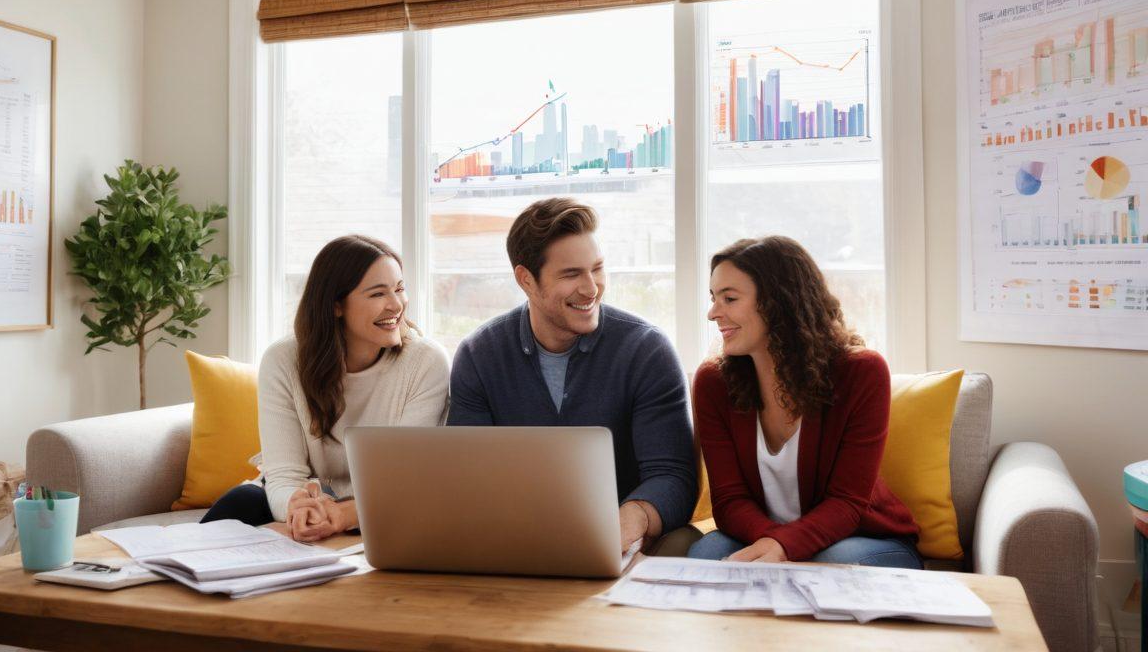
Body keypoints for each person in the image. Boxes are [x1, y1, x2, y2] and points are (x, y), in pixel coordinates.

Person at [447, 197, 697, 552]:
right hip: (513, 542)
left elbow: (673, 478)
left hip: (623, 545)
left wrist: (629, 520)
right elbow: (468, 477)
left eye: (596, 268)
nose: (591, 287)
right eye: (571, 274)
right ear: (526, 280)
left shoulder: (647, 350)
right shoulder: (478, 355)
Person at [687, 236, 921, 567]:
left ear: (777, 301)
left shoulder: (862, 372)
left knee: (834, 562)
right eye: (713, 298)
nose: (713, 313)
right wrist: (774, 542)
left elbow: (847, 503)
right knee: (705, 556)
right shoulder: (712, 383)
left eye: (729, 298)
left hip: (860, 537)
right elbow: (729, 499)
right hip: (761, 533)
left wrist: (784, 548)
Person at [202, 235, 450, 541]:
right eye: (377, 294)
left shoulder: (426, 363)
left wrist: (342, 515)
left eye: (399, 289)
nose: (396, 305)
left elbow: (407, 480)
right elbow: (283, 476)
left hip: (385, 506)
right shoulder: (283, 360)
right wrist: (299, 509)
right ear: (335, 305)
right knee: (239, 504)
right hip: (310, 499)